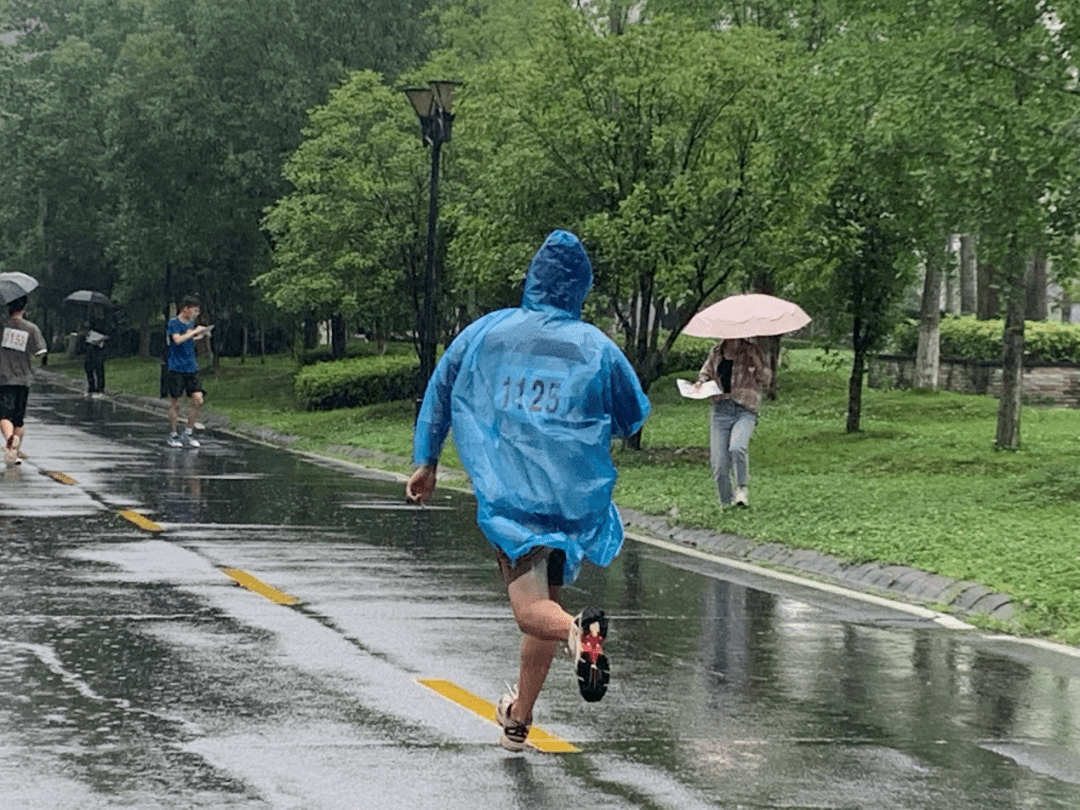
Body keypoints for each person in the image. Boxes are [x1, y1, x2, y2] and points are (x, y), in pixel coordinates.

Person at [406, 230, 651, 752]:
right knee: (545, 607)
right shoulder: (597, 347)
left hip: (512, 501)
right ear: (580, 287)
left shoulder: (486, 333)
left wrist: (427, 460)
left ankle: (576, 630)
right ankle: (519, 719)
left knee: (533, 612)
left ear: (534, 277)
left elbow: (442, 388)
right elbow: (632, 415)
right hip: (569, 501)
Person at [696, 337, 772, 507]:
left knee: (737, 447)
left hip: (745, 409)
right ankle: (726, 503)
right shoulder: (716, 352)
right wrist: (700, 383)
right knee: (719, 464)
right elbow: (705, 373)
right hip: (720, 410)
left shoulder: (751, 350)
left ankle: (742, 488)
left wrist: (756, 362)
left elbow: (766, 379)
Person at [0, 295, 47, 465]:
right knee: (18, 419)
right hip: (24, 378)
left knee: (4, 415)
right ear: (24, 307)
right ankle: (14, 452)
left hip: (4, 378)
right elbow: (40, 352)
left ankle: (10, 439)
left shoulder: (2, 327)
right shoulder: (31, 328)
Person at [163, 295, 210, 448]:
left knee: (198, 399)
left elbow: (188, 340)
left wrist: (200, 335)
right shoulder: (173, 323)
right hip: (176, 367)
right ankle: (173, 434)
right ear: (185, 309)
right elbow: (177, 340)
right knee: (176, 402)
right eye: (195, 311)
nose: (197, 314)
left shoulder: (191, 324)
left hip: (191, 366)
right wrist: (194, 332)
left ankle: (188, 432)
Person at [83, 315, 108, 396]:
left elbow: (108, 335)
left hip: (99, 348)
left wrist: (98, 341)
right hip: (90, 347)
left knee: (99, 368)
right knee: (88, 366)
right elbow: (87, 334)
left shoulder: (105, 322)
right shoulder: (91, 320)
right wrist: (86, 328)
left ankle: (100, 389)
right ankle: (91, 387)